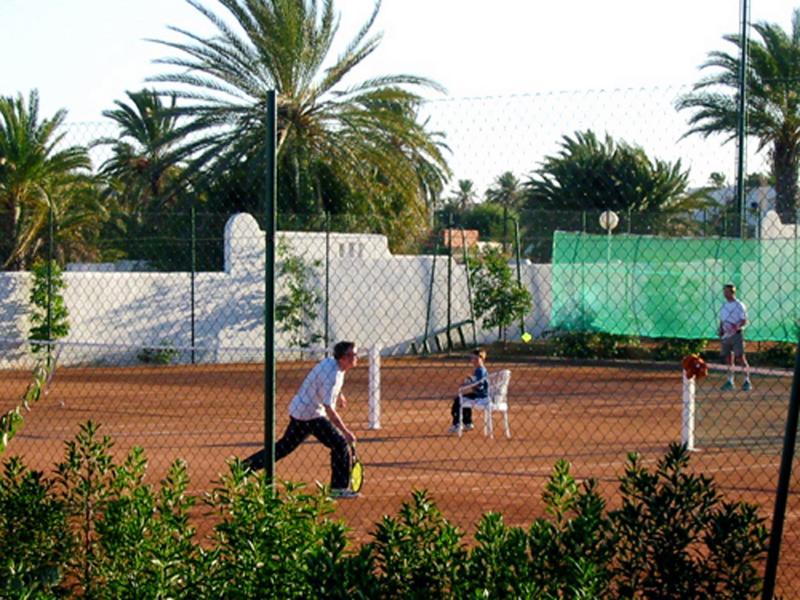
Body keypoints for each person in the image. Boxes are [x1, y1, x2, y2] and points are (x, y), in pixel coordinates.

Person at [244, 340, 359, 498]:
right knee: (340, 444)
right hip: (311, 415)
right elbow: (329, 408)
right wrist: (345, 432)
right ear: (343, 357)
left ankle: (244, 467)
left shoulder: (331, 363)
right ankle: (338, 488)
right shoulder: (332, 376)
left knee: (283, 447)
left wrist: (340, 394)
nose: (356, 357)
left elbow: (322, 383)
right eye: (353, 354)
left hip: (300, 409)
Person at [719, 283, 752, 391]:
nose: (724, 293)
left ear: (732, 292)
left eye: (726, 291)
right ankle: (730, 381)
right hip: (726, 336)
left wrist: (736, 327)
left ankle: (747, 381)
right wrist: (721, 329)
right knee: (728, 358)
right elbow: (722, 320)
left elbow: (744, 320)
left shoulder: (739, 305)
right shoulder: (724, 305)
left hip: (736, 335)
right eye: (724, 291)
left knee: (740, 357)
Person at [448, 347, 489, 434]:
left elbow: (479, 385)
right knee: (464, 399)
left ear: (482, 359)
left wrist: (469, 382)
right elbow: (477, 383)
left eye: (476, 358)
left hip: (480, 396)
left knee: (458, 400)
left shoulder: (480, 370)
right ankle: (467, 422)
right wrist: (470, 381)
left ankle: (457, 423)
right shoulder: (480, 370)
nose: (473, 360)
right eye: (472, 358)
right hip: (481, 394)